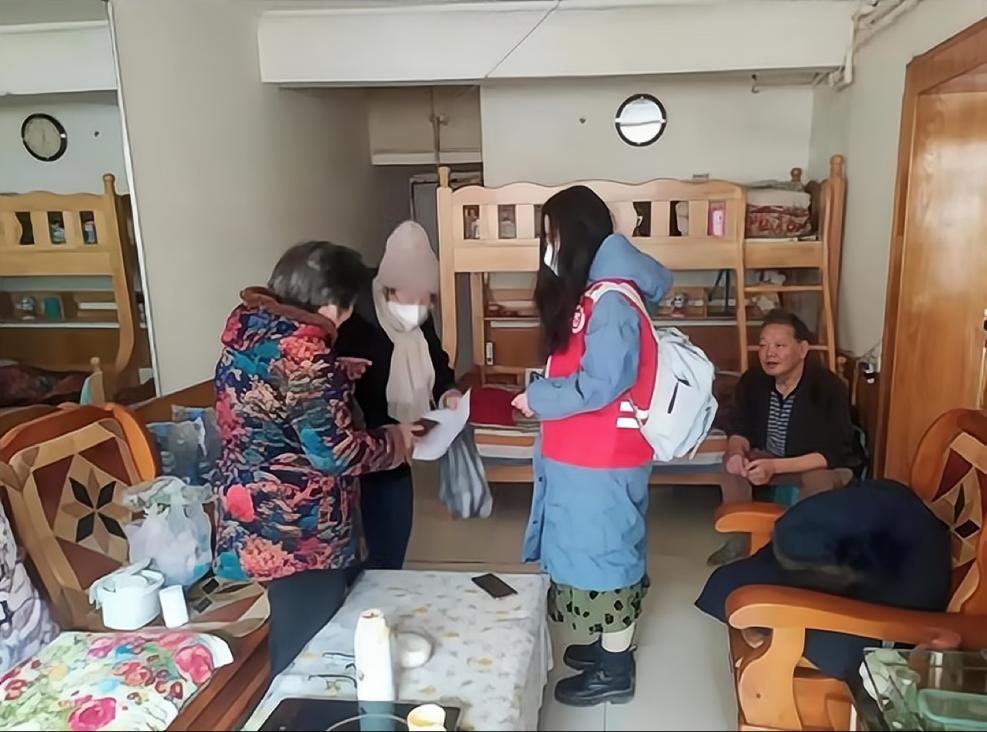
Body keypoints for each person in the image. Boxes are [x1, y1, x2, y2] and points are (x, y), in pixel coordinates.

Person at [214, 241, 417, 677]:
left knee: (295, 618)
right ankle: (298, 708)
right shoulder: (305, 356)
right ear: (328, 304)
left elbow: (270, 393)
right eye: (347, 306)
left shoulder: (253, 326)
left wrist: (334, 373)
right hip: (299, 527)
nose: (348, 316)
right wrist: (395, 441)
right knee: (305, 641)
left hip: (253, 508)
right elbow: (335, 453)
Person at [511, 186, 672, 707]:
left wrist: (537, 397)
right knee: (593, 553)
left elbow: (601, 383)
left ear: (576, 235)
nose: (548, 247)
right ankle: (608, 647)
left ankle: (616, 669)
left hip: (602, 459)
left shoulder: (613, 300)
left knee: (609, 558)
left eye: (552, 235)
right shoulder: (595, 294)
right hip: (584, 455)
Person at [695, 479, 952, 681]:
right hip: (869, 568)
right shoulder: (883, 509)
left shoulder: (911, 554)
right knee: (740, 589)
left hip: (884, 618)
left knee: (745, 596)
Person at [335, 221, 459, 571]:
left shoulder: (420, 318)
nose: (418, 307)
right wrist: (385, 434)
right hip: (363, 445)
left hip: (402, 449)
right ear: (388, 288)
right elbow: (343, 392)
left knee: (392, 544)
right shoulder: (355, 319)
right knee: (361, 550)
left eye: (425, 299)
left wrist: (448, 392)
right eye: (409, 297)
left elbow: (436, 358)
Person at [708, 309, 858, 566]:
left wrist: (774, 467)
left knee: (820, 480)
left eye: (779, 346)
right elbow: (739, 428)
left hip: (816, 464)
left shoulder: (827, 386)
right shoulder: (753, 380)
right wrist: (736, 453)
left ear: (802, 349)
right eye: (763, 345)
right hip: (771, 458)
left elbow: (829, 454)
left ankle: (797, 551)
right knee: (731, 464)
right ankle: (739, 540)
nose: (769, 353)